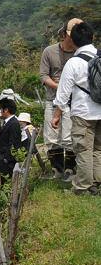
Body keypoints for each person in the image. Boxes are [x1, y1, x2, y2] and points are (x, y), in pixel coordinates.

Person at [52, 21, 100, 195]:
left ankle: (82, 187)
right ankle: (97, 183)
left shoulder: (73, 63)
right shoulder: (100, 56)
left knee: (83, 150)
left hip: (83, 114)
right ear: (92, 37)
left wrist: (56, 115)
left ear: (72, 40)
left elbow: (63, 94)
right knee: (98, 149)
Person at [40, 19, 80, 177]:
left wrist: (66, 87)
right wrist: (60, 86)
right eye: (71, 35)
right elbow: (43, 75)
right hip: (52, 99)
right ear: (64, 34)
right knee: (51, 136)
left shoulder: (80, 53)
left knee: (69, 136)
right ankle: (57, 169)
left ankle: (70, 168)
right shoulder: (49, 51)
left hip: (73, 101)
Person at [0, 99, 22, 184]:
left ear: (6, 110)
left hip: (8, 161)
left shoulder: (13, 124)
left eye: (1, 109)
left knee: (7, 183)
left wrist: (5, 158)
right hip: (3, 159)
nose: (0, 112)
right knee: (4, 182)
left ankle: (8, 197)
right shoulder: (6, 122)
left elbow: (14, 143)